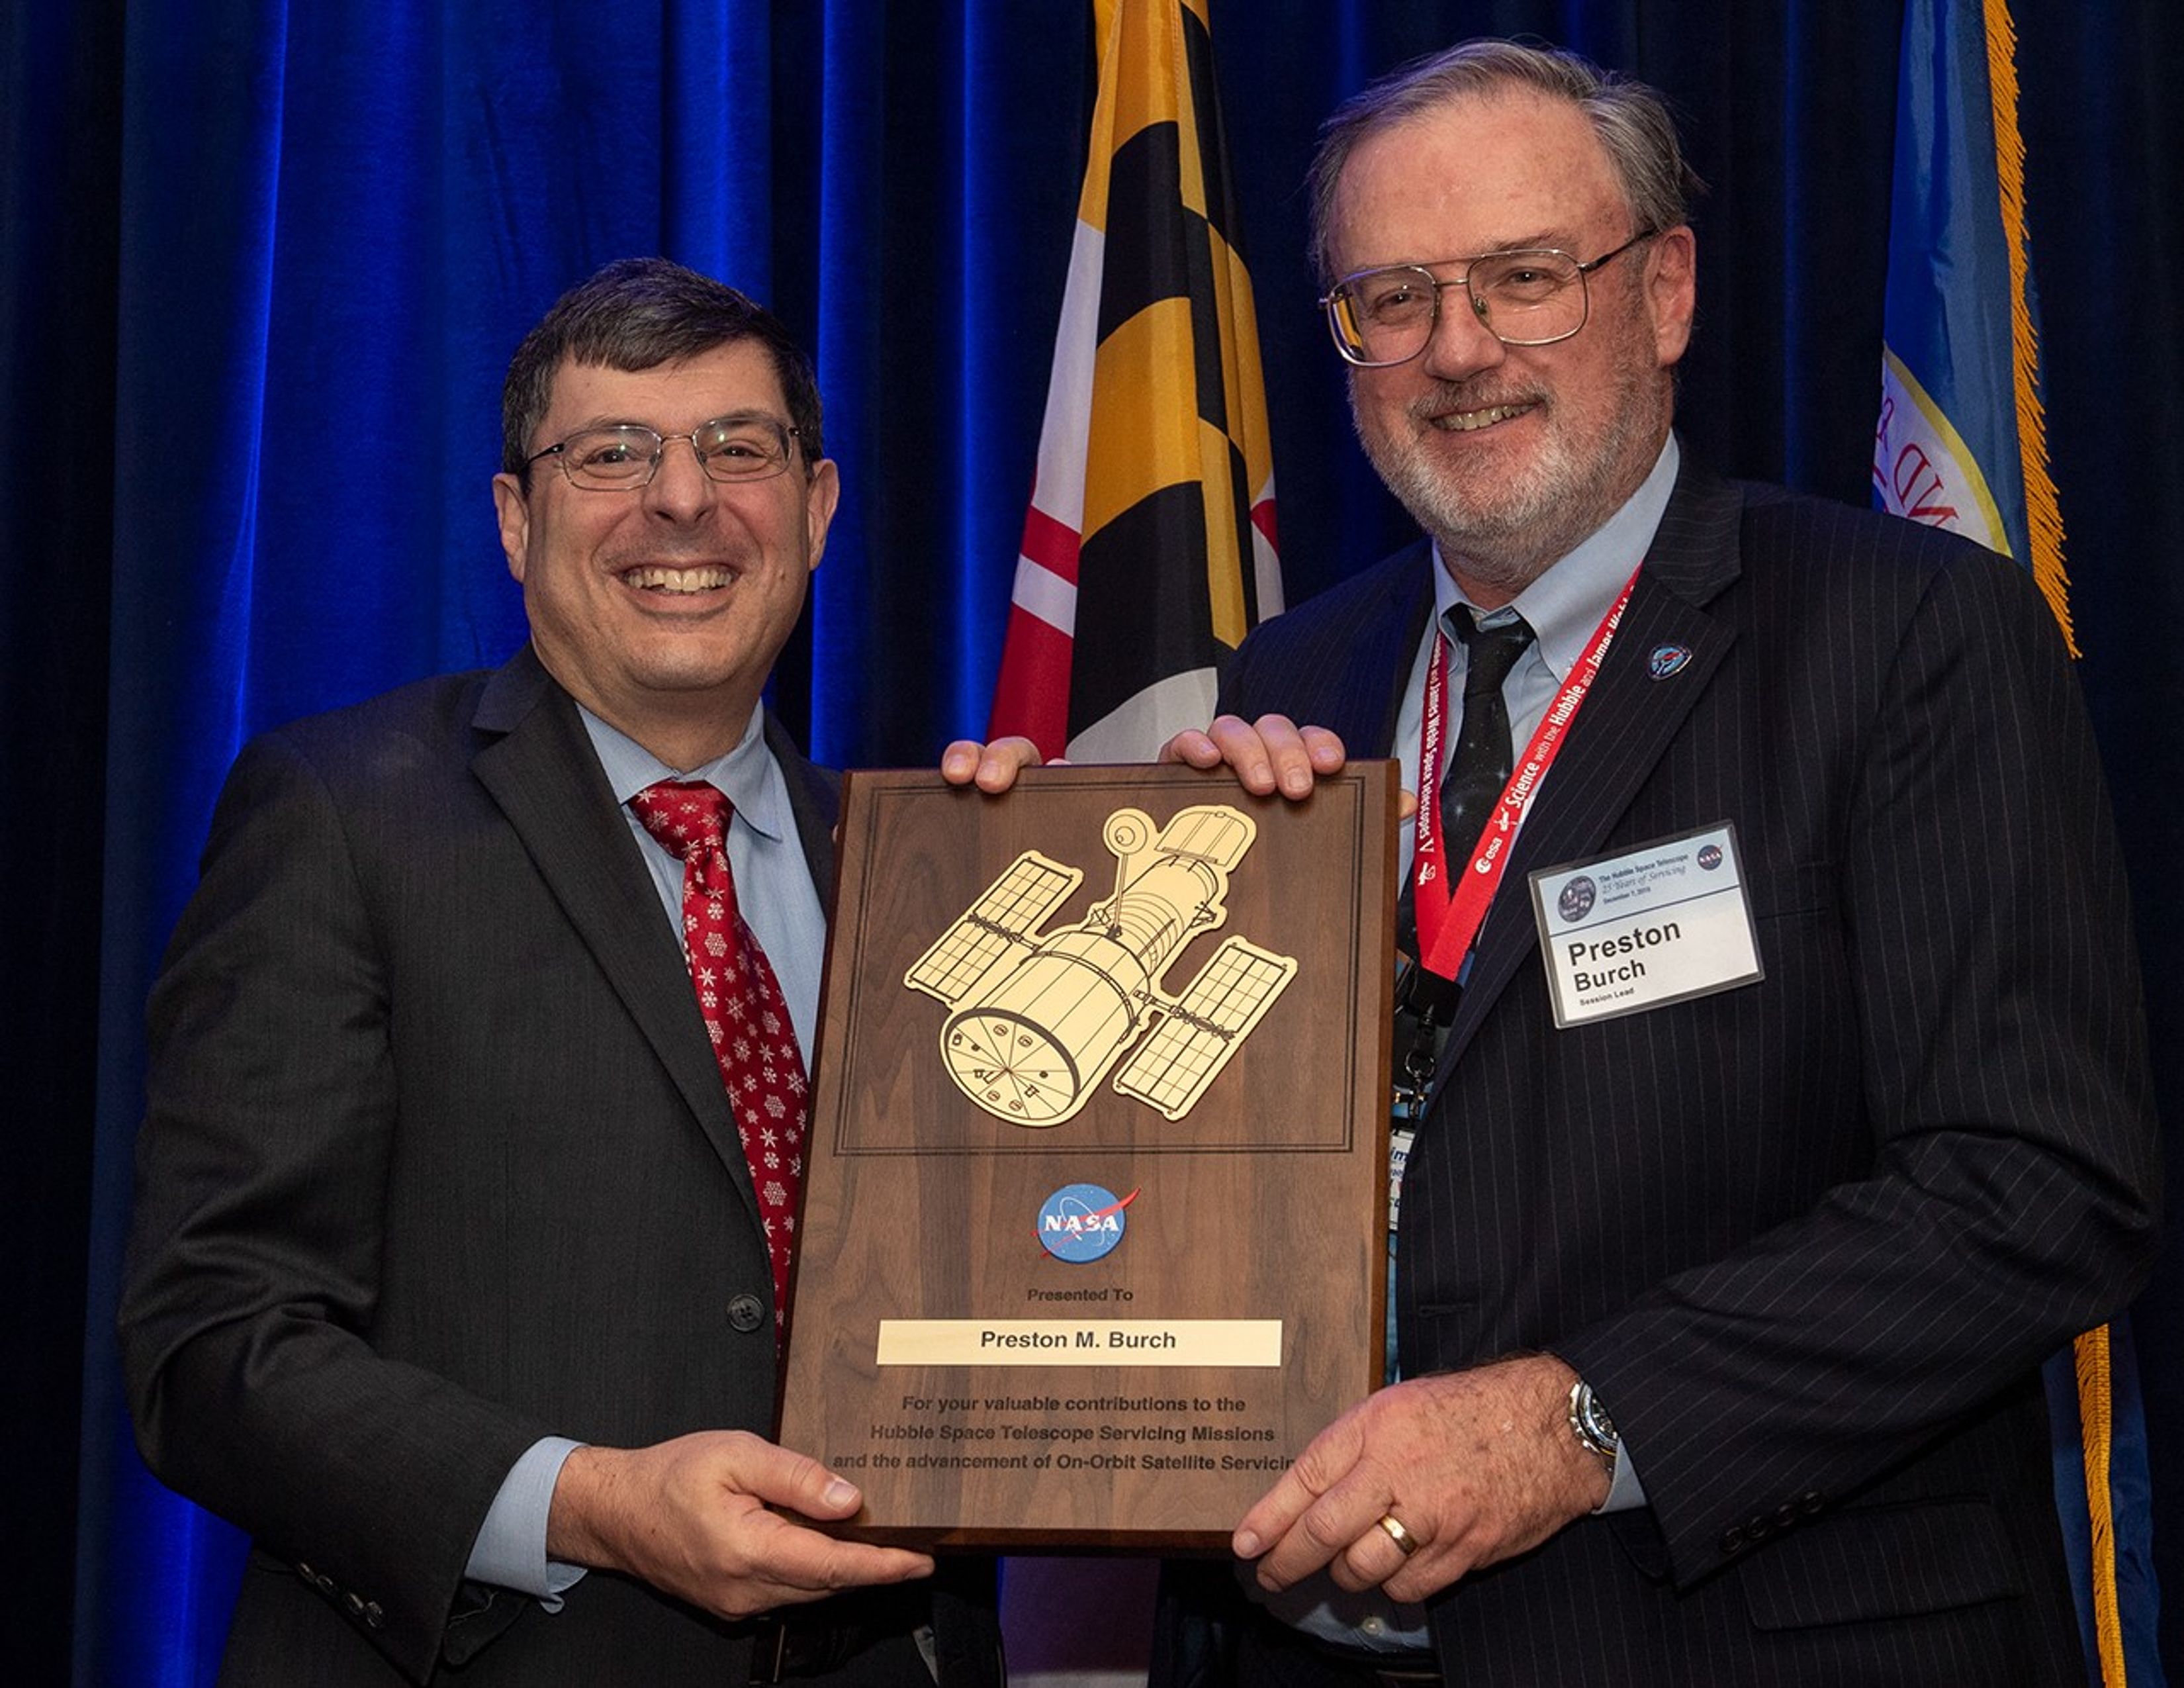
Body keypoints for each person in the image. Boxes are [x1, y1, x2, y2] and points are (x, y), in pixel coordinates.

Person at [1138, 38, 2161, 1688]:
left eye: (1526, 279)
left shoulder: (1906, 635)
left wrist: (1583, 1418)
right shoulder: (1288, 684)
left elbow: (2038, 1189)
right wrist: (1086, 886)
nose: (1458, 350)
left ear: (1667, 289)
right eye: (1390, 299)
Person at [118, 258, 1016, 1686]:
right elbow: (212, 1345)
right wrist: (589, 1503)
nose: (683, 501)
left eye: (740, 449)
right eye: (613, 455)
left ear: (819, 506)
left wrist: (1191, 855)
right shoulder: (344, 815)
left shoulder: (935, 871)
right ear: (515, 518)